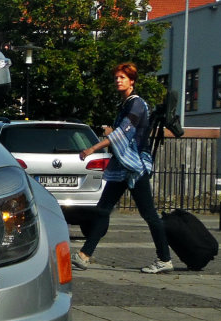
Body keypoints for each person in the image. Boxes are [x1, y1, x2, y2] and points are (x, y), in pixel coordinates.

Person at [72, 62, 173, 273]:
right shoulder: (126, 104)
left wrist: (92, 149)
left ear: (132, 81)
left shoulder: (136, 104)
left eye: (123, 78)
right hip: (122, 166)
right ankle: (84, 255)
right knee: (102, 209)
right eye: (116, 77)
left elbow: (120, 135)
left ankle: (164, 259)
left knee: (149, 214)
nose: (118, 80)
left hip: (135, 166)